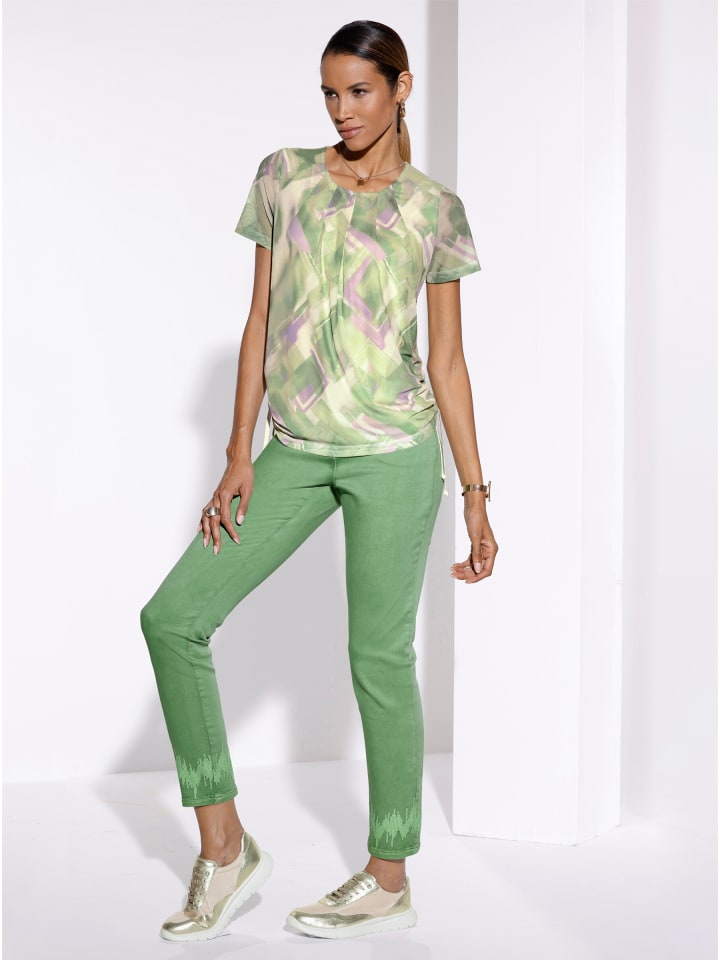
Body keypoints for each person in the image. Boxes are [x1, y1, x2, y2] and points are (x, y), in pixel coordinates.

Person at [140, 18, 498, 943]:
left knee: (379, 659)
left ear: (402, 87)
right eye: (331, 94)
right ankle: (225, 847)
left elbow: (448, 361)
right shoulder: (285, 178)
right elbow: (258, 318)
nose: (343, 110)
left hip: (396, 455)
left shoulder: (435, 209)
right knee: (173, 618)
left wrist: (476, 494)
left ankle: (388, 876)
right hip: (295, 449)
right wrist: (237, 455)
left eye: (361, 91)